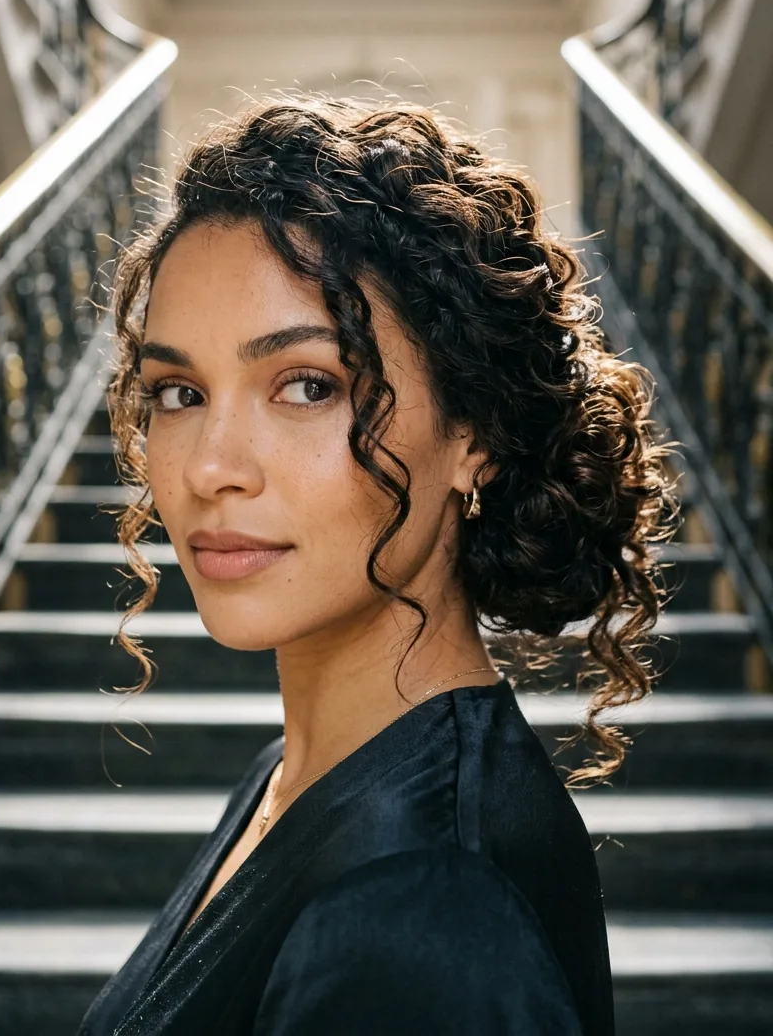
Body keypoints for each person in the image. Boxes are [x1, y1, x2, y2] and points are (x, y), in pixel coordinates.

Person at [78, 98, 676, 1035]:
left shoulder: (425, 909)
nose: (208, 468)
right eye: (179, 392)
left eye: (309, 385)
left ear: (471, 430)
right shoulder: (298, 772)